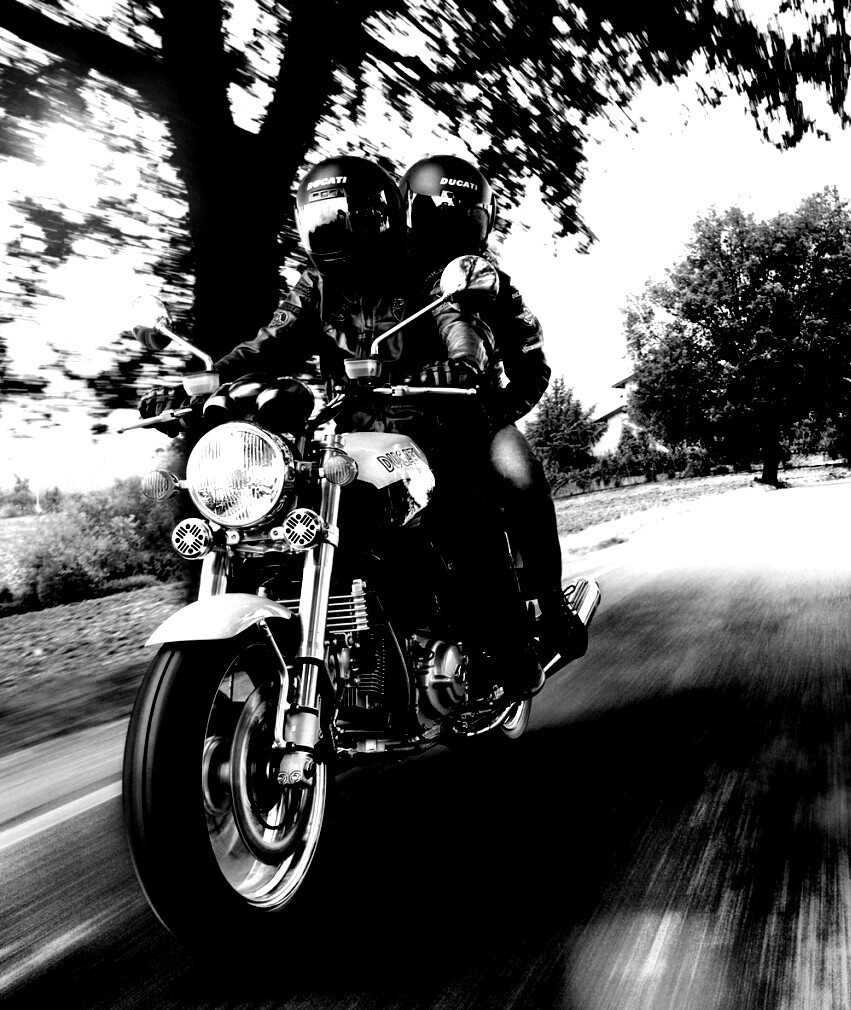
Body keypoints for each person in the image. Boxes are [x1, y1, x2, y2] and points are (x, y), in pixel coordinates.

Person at [138, 154, 546, 698]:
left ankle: (513, 649)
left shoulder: (424, 268)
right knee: (273, 513)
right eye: (325, 219)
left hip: (430, 422)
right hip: (347, 431)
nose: (338, 231)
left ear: (384, 217)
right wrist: (201, 382)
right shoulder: (316, 284)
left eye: (352, 218)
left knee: (465, 509)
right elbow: (269, 343)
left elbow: (456, 322)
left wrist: (462, 364)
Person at [399, 153, 586, 664]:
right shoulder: (387, 278)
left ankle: (551, 606)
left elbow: (532, 365)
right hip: (395, 421)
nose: (451, 223)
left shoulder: (493, 283)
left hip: (474, 417)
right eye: (438, 211)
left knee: (521, 475)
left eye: (464, 213)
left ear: (482, 218)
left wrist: (495, 409)